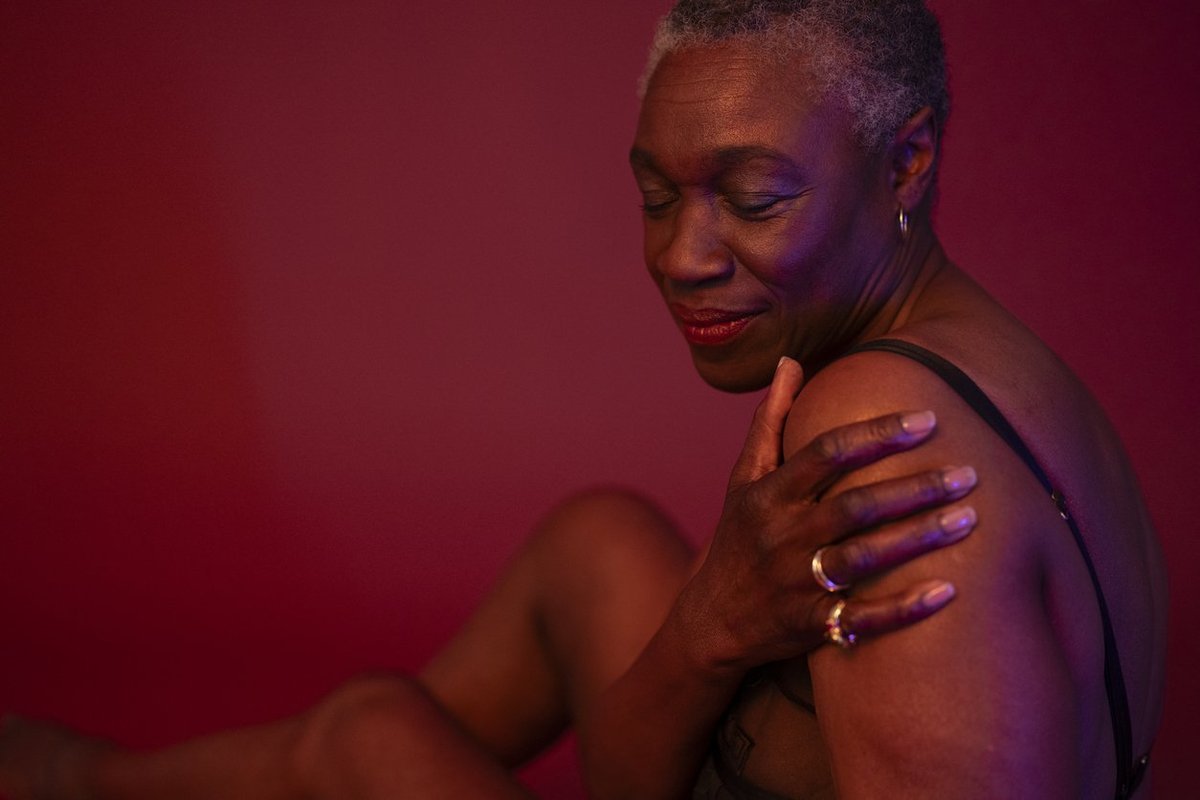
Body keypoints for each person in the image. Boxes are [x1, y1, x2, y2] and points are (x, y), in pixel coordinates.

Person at [0, 1, 1166, 799]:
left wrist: (711, 627)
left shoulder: (883, 444)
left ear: (906, 163)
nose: (681, 256)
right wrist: (710, 621)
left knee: (373, 736)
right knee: (594, 541)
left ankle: (77, 780)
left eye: (754, 196)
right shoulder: (1003, 362)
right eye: (658, 194)